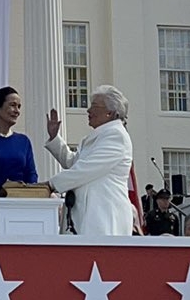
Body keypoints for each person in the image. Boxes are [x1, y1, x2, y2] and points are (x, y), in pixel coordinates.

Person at [42, 85, 134, 236]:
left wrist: (50, 185)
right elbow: (73, 163)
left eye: (94, 106)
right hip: (86, 214)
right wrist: (54, 138)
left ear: (109, 113)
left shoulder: (116, 136)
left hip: (103, 215)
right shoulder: (96, 137)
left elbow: (85, 170)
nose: (88, 110)